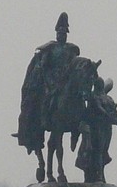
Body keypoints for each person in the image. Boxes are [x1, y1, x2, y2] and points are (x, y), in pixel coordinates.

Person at [15, 12, 82, 158]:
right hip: (50, 82)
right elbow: (43, 67)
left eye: (63, 32)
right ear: (56, 33)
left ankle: (78, 128)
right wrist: (48, 79)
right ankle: (43, 120)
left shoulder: (71, 50)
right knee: (45, 101)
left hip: (66, 80)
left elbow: (75, 66)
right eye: (59, 32)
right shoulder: (50, 49)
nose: (61, 35)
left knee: (80, 98)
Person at [76, 76, 117, 183]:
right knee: (100, 152)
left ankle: (99, 176)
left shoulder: (95, 97)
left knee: (96, 152)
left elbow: (99, 110)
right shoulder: (108, 99)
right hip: (106, 129)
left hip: (97, 129)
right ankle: (99, 175)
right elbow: (113, 113)